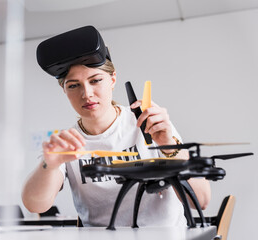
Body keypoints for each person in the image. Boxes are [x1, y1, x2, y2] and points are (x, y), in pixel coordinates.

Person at [22, 26, 211, 227]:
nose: (87, 94)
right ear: (64, 89)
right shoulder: (68, 144)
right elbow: (35, 205)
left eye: (95, 80)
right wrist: (49, 165)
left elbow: (201, 200)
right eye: (73, 85)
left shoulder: (150, 124)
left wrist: (168, 146)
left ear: (112, 80)